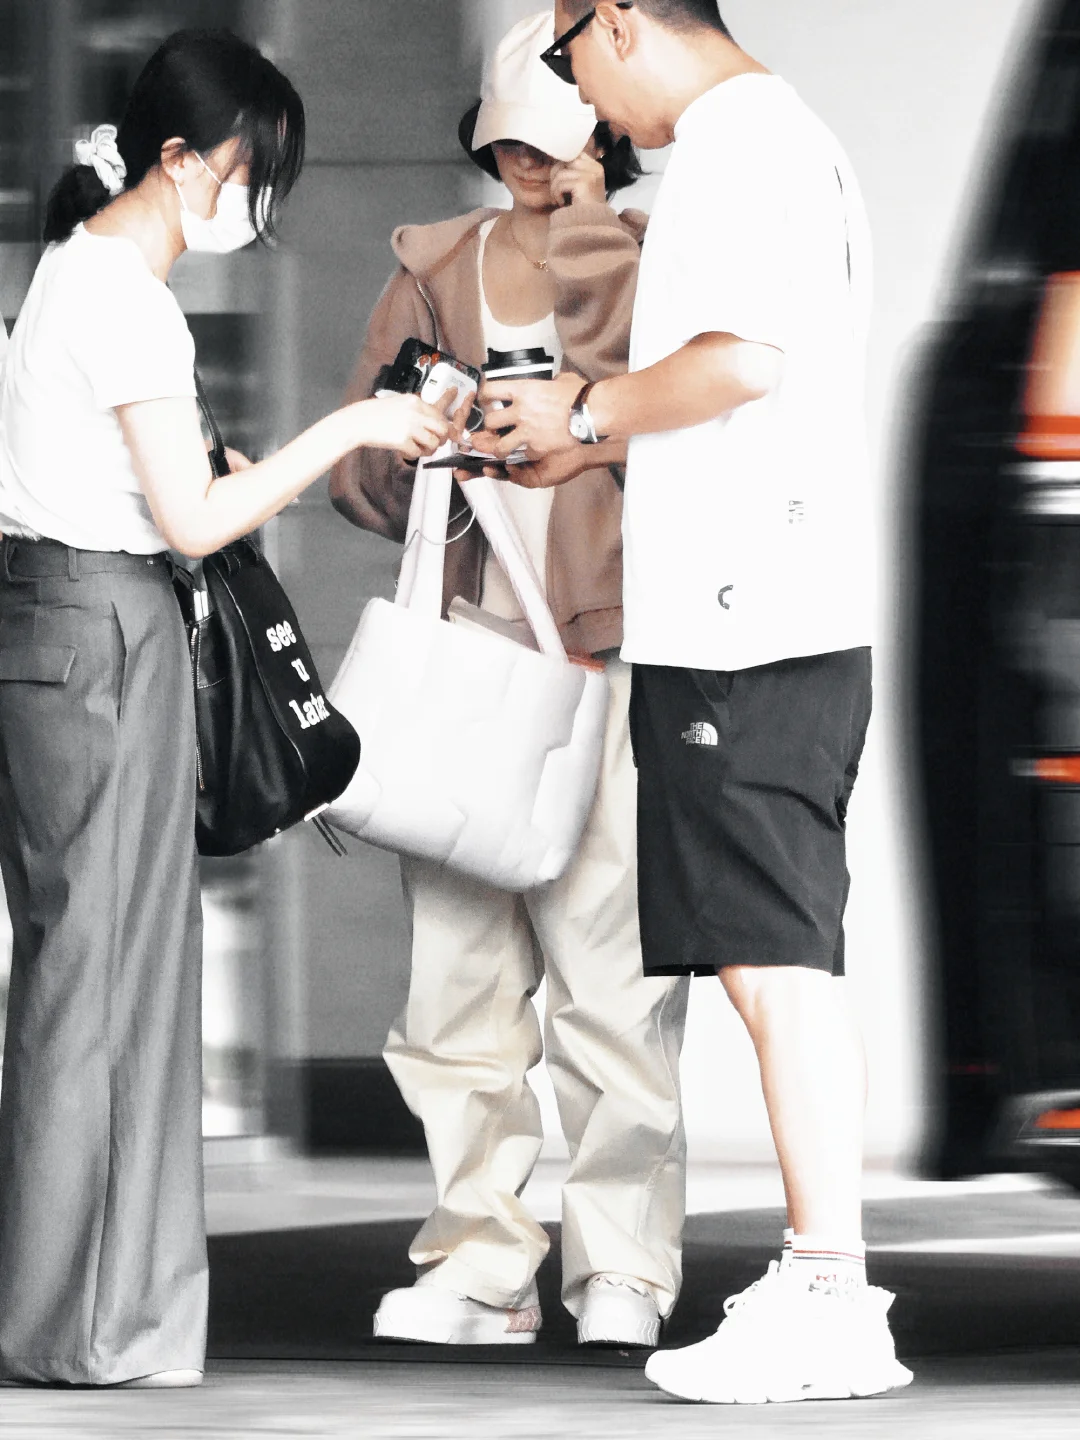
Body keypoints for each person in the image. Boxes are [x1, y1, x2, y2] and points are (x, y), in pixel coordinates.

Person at [467, 0, 915, 1404]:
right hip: (775, 607)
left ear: (615, 20)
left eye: (570, 59)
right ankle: (827, 1282)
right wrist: (592, 443)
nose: (581, 98)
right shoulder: (785, 141)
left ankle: (830, 1290)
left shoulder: (736, 148)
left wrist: (583, 414)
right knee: (778, 959)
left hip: (743, 620)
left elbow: (739, 361)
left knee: (775, 965)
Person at [0, 28, 453, 1388]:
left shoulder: (74, 270)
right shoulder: (127, 297)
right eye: (251, 174)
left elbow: (148, 490)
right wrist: (348, 432)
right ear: (180, 159)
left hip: (58, 629)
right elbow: (195, 525)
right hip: (105, 637)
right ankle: (98, 1325)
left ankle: (79, 1316)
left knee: (80, 977)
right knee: (115, 986)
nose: (255, 203)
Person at [329, 11, 690, 1350]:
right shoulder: (436, 267)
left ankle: (624, 1267)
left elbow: (681, 437)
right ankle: (480, 1261)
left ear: (605, 132)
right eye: (515, 148)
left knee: (613, 977)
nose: (533, 169)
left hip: (607, 651)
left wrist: (590, 229)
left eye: (558, 145)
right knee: (456, 982)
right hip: (470, 654)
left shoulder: (650, 260)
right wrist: (417, 439)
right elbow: (360, 471)